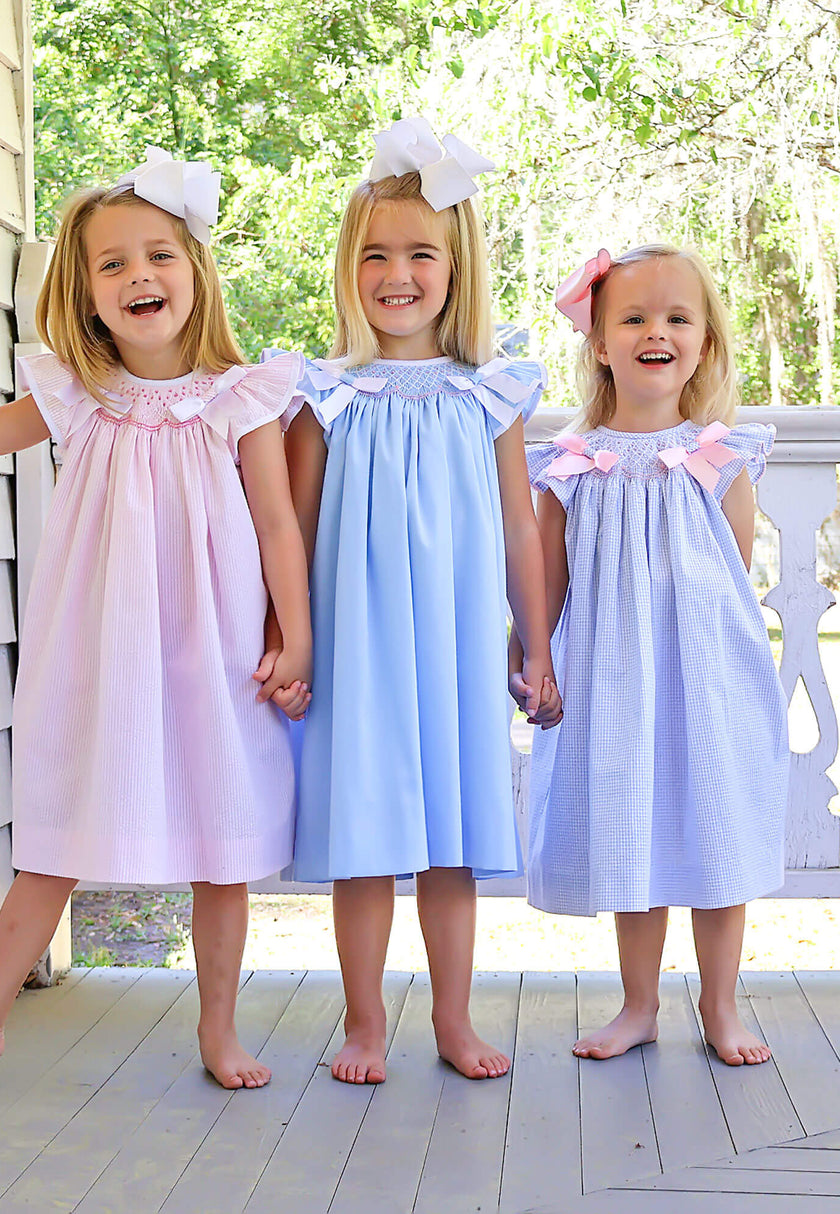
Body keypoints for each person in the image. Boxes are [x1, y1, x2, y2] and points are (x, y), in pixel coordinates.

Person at [0, 147, 312, 1100]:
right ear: (89, 292)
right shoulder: (76, 394)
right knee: (54, 839)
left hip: (213, 646)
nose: (139, 275)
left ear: (197, 271)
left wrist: (293, 637)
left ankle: (219, 1032)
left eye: (160, 255)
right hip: (98, 649)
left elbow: (276, 523)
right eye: (113, 264)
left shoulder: (241, 396)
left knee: (218, 843)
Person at [284, 117, 557, 1085]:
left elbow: (521, 527)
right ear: (347, 268)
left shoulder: (489, 392)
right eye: (374, 254)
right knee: (364, 836)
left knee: (448, 840)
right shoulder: (325, 394)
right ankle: (363, 1024)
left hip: (452, 641)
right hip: (357, 643)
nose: (396, 273)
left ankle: (451, 1016)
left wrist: (535, 645)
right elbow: (294, 529)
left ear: (457, 264)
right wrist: (294, 640)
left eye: (419, 253)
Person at [513, 243, 788, 1065]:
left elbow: (730, 574)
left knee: (716, 834)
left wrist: (716, 665)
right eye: (632, 317)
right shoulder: (571, 465)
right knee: (633, 831)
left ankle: (720, 1006)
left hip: (705, 676)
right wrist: (539, 661)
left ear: (703, 343)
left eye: (676, 318)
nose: (654, 331)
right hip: (612, 678)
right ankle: (638, 1006)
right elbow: (549, 581)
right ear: (598, 342)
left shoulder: (718, 455)